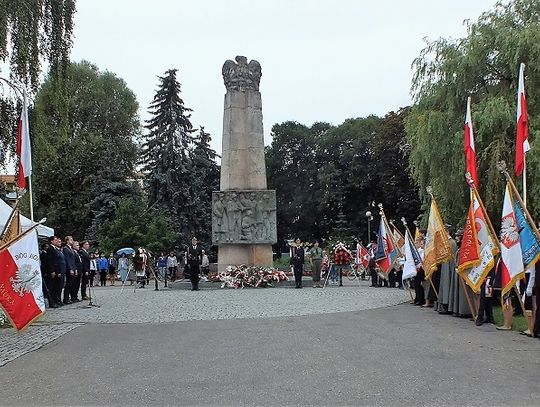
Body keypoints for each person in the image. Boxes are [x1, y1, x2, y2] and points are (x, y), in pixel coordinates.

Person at [46, 236, 66, 308]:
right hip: (53, 271)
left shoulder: (56, 249)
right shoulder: (50, 249)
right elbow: (50, 261)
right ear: (51, 241)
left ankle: (56, 301)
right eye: (55, 240)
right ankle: (52, 302)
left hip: (57, 271)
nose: (57, 241)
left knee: (57, 287)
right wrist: (52, 271)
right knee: (52, 288)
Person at [62, 236, 76, 304]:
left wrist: (74, 268)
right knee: (68, 284)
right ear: (67, 241)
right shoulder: (65, 249)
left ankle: (69, 298)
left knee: (71, 284)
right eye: (71, 240)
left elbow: (73, 260)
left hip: (73, 267)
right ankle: (66, 299)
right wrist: (70, 269)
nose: (72, 241)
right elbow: (67, 260)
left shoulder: (71, 249)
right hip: (69, 269)